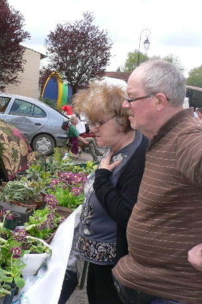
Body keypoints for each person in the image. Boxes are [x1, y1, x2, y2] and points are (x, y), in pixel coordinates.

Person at [113, 59, 202, 304]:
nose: (125, 105)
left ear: (159, 101)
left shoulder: (186, 138)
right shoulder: (165, 137)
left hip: (172, 293)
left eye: (131, 98)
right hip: (149, 286)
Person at [58, 82, 149, 304]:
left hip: (115, 264)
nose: (92, 129)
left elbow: (127, 214)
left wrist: (101, 178)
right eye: (91, 122)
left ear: (122, 120)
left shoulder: (138, 157)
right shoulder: (114, 147)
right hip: (97, 258)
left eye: (99, 122)